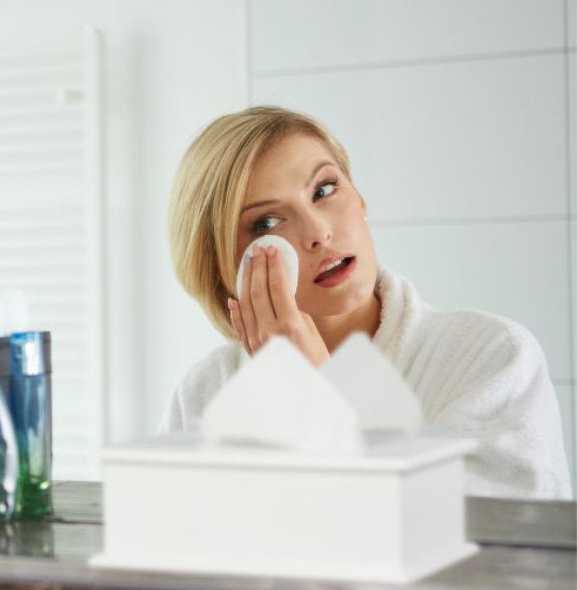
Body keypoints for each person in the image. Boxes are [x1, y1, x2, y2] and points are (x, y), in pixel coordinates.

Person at [161, 106, 572, 500]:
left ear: (359, 198)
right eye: (267, 223)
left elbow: (488, 542)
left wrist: (317, 389)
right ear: (223, 268)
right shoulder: (204, 393)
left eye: (324, 189)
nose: (319, 232)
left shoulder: (491, 356)